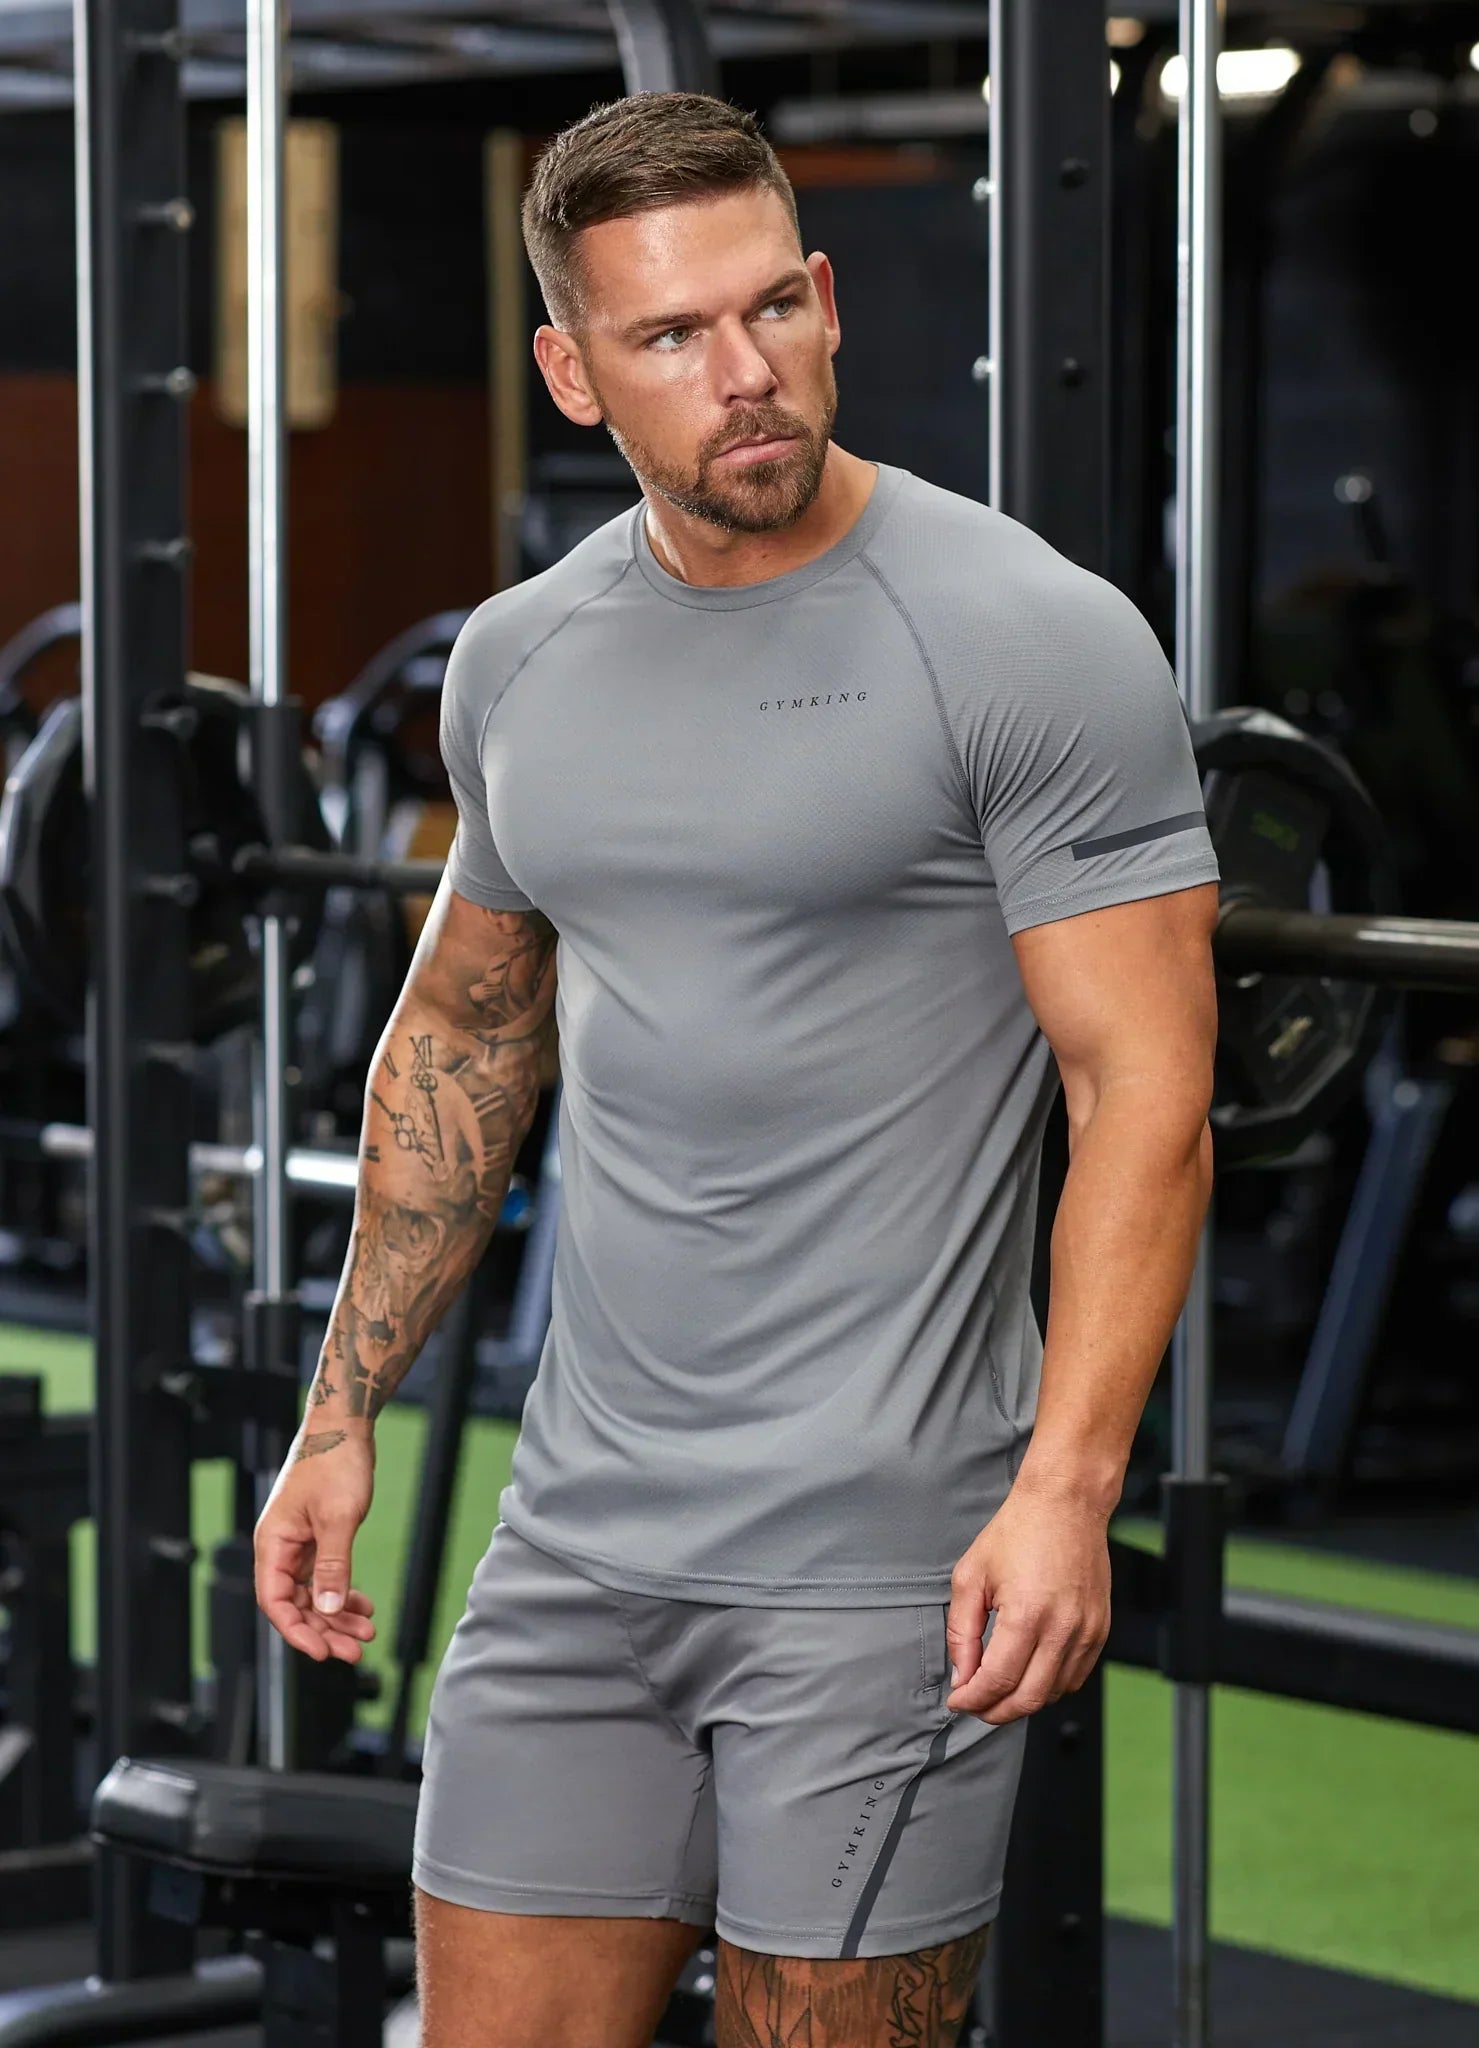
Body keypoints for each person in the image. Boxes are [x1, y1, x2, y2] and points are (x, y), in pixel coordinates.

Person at [255, 90, 1220, 2048]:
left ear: (829, 298)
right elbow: (465, 1028)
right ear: (572, 372)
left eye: (770, 307)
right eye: (670, 336)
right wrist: (340, 1404)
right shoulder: (522, 657)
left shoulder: (1024, 638)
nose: (744, 372)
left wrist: (1064, 1488)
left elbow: (1145, 1092)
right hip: (578, 1532)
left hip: (880, 1563)